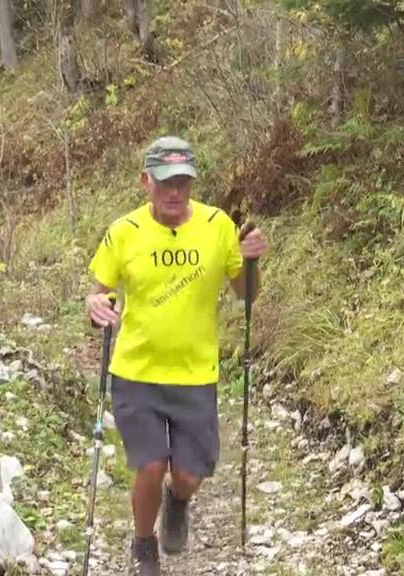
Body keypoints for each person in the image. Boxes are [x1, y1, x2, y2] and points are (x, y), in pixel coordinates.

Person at [85, 136, 268, 576]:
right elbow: (98, 296)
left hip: (195, 373)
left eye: (183, 182)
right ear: (145, 181)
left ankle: (177, 501)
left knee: (187, 474)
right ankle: (144, 544)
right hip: (136, 371)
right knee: (148, 465)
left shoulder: (217, 225)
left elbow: (246, 295)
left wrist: (250, 263)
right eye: (166, 182)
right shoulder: (123, 232)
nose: (175, 192)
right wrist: (97, 308)